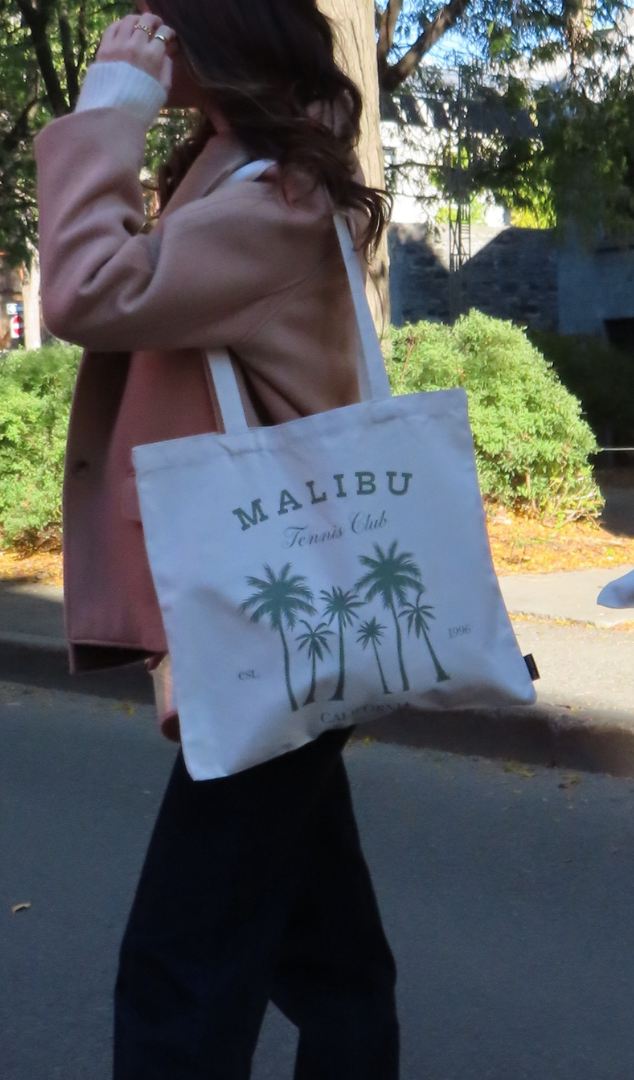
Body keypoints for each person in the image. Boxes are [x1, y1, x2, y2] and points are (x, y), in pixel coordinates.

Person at [34, 3, 399, 1076]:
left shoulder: (274, 200)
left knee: (180, 975)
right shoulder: (249, 173)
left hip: (267, 630)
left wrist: (110, 112)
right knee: (332, 966)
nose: (139, 22)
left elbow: (86, 291)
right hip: (279, 612)